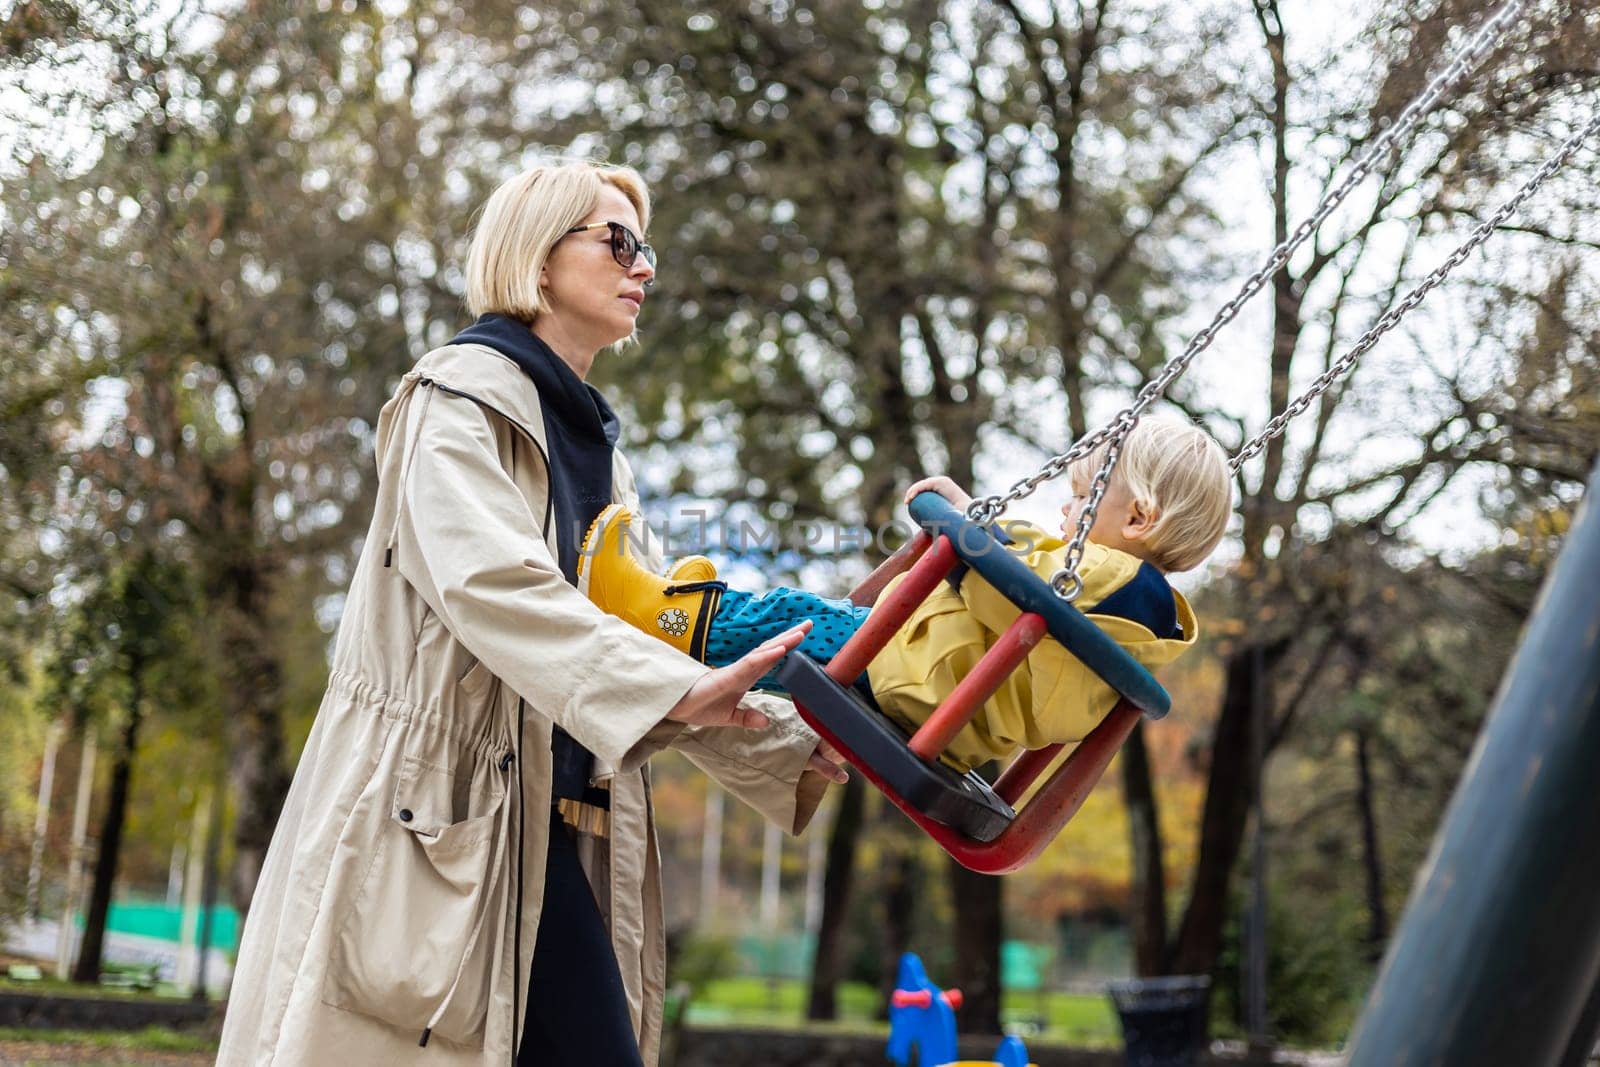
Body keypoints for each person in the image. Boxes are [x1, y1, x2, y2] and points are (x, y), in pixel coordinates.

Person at [217, 162, 846, 1067]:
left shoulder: (597, 451)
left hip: (545, 830)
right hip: (433, 813)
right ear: (537, 259)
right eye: (617, 240)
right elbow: (496, 588)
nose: (645, 268)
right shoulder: (456, 403)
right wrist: (680, 689)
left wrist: (793, 740)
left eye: (647, 248)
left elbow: (645, 636)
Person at [579, 413, 1232, 771]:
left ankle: (656, 615)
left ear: (1139, 518)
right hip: (938, 700)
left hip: (911, 678)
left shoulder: (1104, 579)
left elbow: (1014, 584)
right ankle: (691, 612)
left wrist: (969, 517)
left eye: (1084, 499)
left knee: (785, 620)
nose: (1068, 514)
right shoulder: (1143, 617)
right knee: (791, 623)